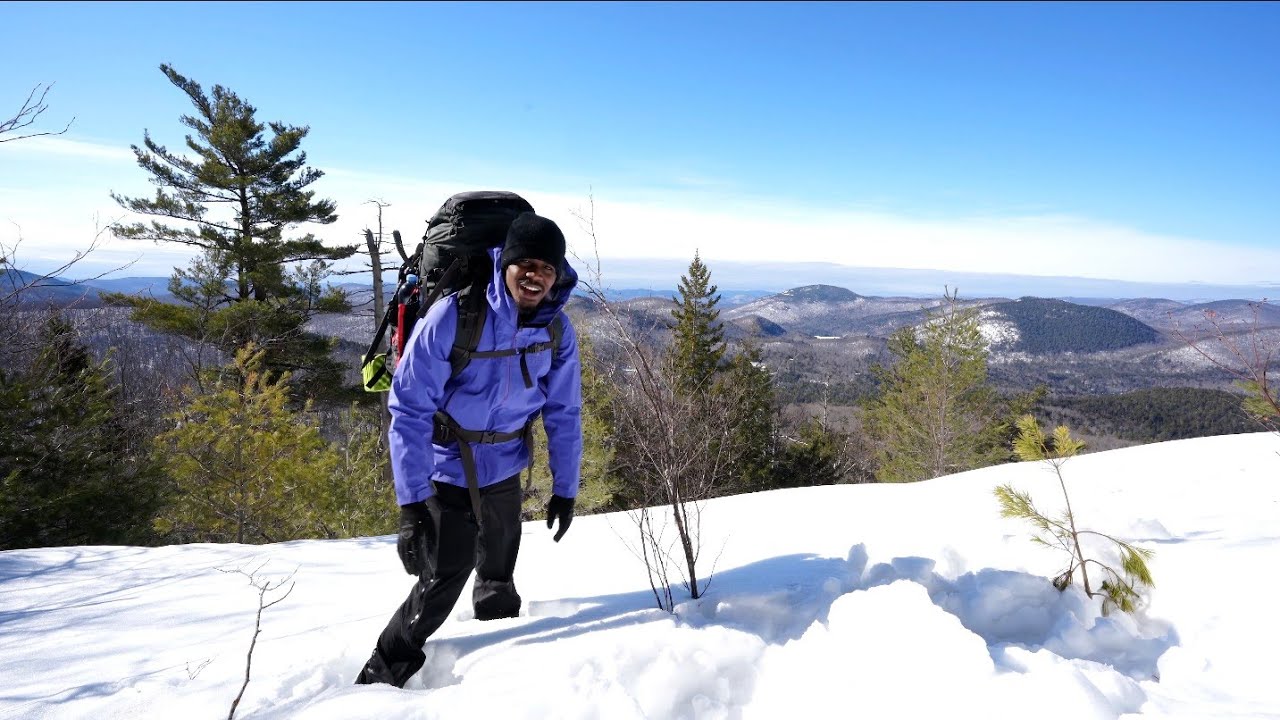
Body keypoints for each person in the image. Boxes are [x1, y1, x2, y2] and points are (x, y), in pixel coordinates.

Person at [355, 211, 582, 687]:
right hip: (443, 466)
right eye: (526, 264)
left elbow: (564, 412)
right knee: (446, 573)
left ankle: (499, 667)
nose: (536, 276)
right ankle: (383, 670)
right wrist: (412, 504)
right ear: (505, 263)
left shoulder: (556, 332)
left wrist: (565, 487)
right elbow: (411, 409)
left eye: (547, 268)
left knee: (498, 569)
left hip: (504, 466)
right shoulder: (455, 315)